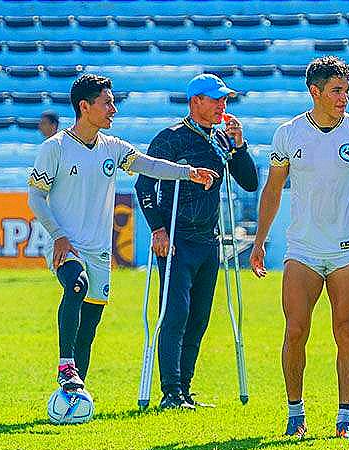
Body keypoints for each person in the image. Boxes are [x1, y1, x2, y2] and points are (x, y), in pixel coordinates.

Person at [28, 74, 218, 393]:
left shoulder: (112, 147)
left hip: (99, 250)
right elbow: (35, 196)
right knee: (76, 284)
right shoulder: (55, 148)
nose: (113, 109)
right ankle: (65, 364)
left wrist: (188, 173)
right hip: (67, 246)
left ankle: (74, 394)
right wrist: (58, 234)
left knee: (88, 328)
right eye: (107, 103)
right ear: (85, 107)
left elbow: (150, 165)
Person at [249, 56, 349, 438]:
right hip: (303, 249)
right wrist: (259, 241)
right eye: (337, 90)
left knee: (346, 331)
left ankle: (346, 417)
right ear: (315, 91)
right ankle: (295, 414)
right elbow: (273, 190)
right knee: (295, 331)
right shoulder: (288, 134)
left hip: (348, 249)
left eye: (347, 90)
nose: (344, 97)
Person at [134, 73, 258, 410]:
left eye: (225, 99)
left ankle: (185, 389)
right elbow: (144, 186)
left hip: (208, 241)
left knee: (199, 318)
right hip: (177, 241)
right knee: (175, 314)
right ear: (195, 102)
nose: (222, 105)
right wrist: (158, 230)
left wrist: (239, 146)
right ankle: (170, 391)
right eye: (216, 99)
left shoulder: (221, 140)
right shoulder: (171, 138)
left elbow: (249, 182)